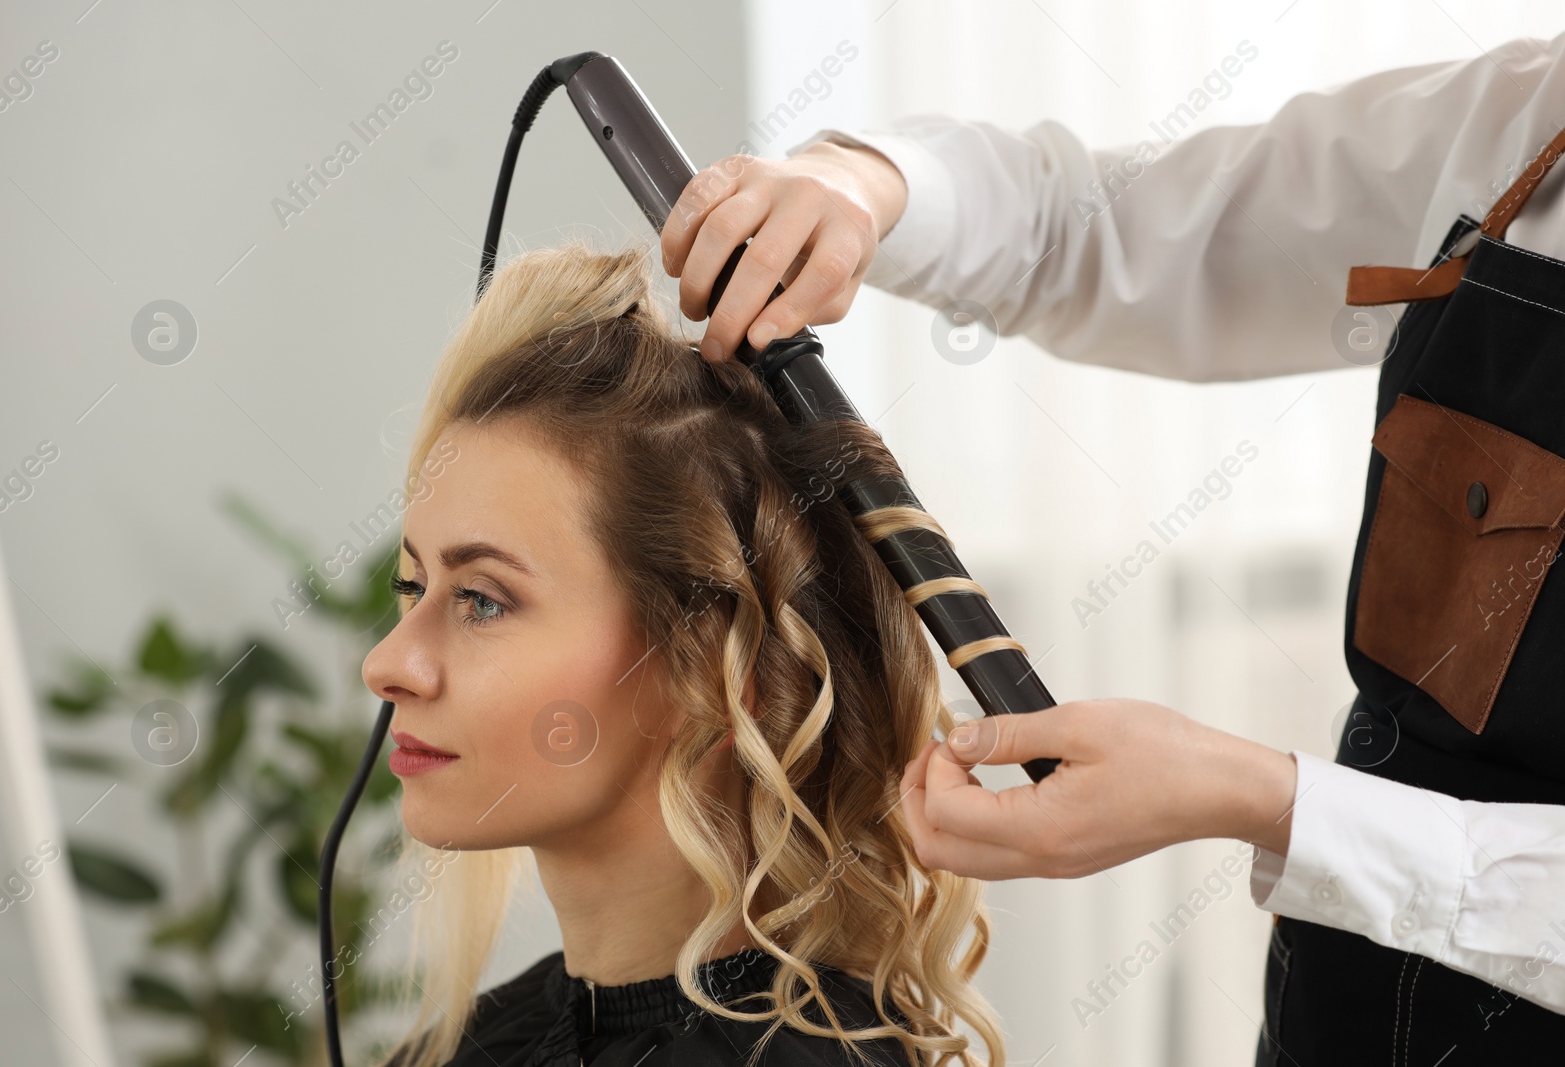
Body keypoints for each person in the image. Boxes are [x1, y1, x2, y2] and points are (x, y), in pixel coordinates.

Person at [661, 30, 1565, 1066]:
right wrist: (862, 183)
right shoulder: (1519, 124)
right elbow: (1095, 231)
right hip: (1343, 1008)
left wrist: (1258, 796)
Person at [359, 240, 1008, 1067]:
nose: (386, 663)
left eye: (482, 599)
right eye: (413, 587)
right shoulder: (465, 1046)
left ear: (713, 666)